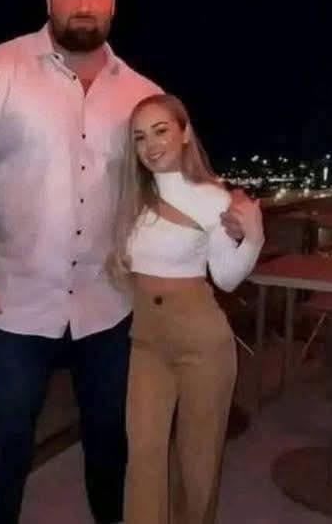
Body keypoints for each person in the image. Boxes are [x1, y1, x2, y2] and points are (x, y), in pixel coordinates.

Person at [0, 0, 254, 522]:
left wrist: (231, 205)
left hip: (112, 303)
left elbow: (175, 175)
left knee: (111, 438)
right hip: (15, 301)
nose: (84, 4)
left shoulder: (143, 95)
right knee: (7, 435)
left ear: (112, 3)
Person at [108, 93, 264, 524]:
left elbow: (226, 278)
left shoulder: (212, 198)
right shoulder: (133, 200)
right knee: (143, 454)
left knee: (198, 459)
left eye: (161, 130)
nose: (151, 144)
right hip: (147, 342)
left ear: (184, 133)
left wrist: (254, 237)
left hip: (202, 341)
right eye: (140, 137)